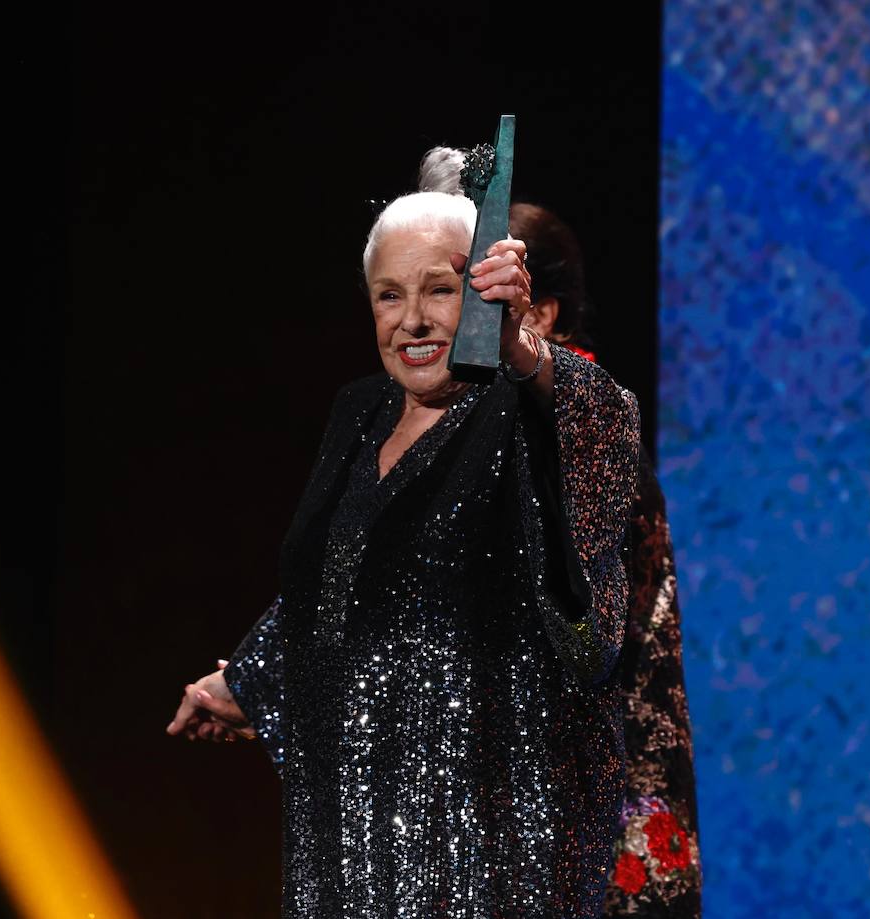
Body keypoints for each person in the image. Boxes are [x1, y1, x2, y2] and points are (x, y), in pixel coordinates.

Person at [166, 180, 641, 917]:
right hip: (349, 832)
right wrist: (249, 680)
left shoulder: (519, 411)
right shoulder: (361, 414)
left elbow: (602, 428)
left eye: (440, 290)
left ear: (483, 295)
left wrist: (520, 346)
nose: (413, 319)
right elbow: (340, 582)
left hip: (489, 834)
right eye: (389, 296)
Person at [421, 147, 704, 915]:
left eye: (469, 293)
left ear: (537, 313)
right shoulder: (504, 424)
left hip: (591, 816)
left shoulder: (584, 422)